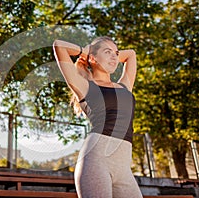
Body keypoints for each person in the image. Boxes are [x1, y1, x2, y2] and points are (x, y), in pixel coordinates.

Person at [53, 36, 143, 198]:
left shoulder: (125, 85)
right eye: (108, 52)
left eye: (116, 53)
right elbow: (59, 46)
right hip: (96, 160)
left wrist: (107, 54)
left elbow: (131, 54)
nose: (114, 57)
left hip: (123, 166)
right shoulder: (85, 86)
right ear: (92, 58)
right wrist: (86, 52)